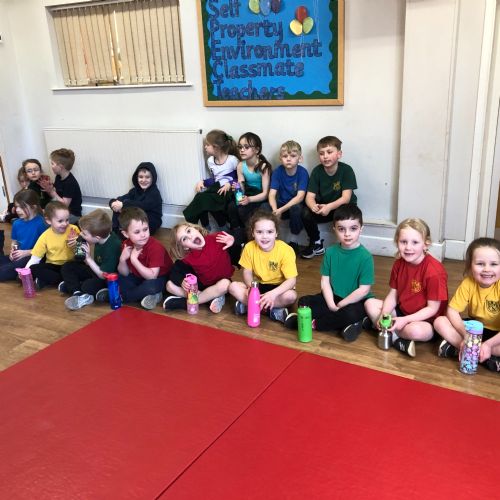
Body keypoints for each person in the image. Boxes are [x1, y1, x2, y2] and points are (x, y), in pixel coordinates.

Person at [284, 204, 374, 341]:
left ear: (361, 229)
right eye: (341, 229)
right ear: (334, 229)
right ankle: (350, 324)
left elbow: (363, 290)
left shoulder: (366, 257)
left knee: (350, 313)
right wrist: (331, 304)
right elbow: (325, 282)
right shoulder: (330, 252)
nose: (347, 234)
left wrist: (341, 305)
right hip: (334, 297)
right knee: (304, 301)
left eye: (353, 228)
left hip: (355, 301)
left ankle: (312, 323)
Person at [364, 218, 448, 357]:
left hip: (426, 321)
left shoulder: (434, 272)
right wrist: (384, 314)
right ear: (397, 242)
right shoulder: (398, 264)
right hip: (402, 311)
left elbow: (432, 309)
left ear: (426, 244)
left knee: (415, 331)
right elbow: (393, 294)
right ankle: (397, 340)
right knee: (370, 303)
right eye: (403, 242)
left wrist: (405, 320)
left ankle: (388, 333)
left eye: (415, 242)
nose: (408, 247)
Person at [434, 237, 500, 372]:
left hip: (496, 336)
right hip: (474, 330)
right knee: (440, 322)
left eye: (494, 264)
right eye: (480, 264)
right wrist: (466, 337)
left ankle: (469, 350)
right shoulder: (468, 283)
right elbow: (452, 310)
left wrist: (488, 344)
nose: (487, 269)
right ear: (470, 266)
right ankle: (477, 353)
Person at [228, 210, 297, 323]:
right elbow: (247, 272)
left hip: (278, 288)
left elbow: (291, 280)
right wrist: (251, 288)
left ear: (276, 233)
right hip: (258, 286)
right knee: (233, 287)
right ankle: (271, 311)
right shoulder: (249, 247)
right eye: (259, 232)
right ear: (253, 233)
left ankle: (251, 306)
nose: (265, 236)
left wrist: (273, 294)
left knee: (291, 296)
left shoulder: (286, 250)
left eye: (269, 232)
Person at [300, 136, 357, 259]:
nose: (325, 156)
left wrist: (329, 207)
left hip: (344, 207)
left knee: (346, 214)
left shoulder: (346, 170)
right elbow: (309, 197)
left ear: (339, 154)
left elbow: (346, 198)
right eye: (321, 153)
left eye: (329, 152)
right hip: (325, 207)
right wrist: (313, 206)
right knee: (305, 212)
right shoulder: (317, 171)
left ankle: (346, 246)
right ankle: (316, 243)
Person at [163, 222, 235, 313]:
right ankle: (209, 299)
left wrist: (233, 241)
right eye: (184, 239)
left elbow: (238, 254)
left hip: (221, 284)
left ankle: (185, 303)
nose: (190, 236)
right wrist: (181, 281)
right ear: (185, 247)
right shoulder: (188, 257)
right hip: (203, 287)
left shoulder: (217, 238)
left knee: (226, 284)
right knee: (169, 285)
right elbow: (174, 271)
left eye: (189, 231)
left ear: (196, 229)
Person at [60, 209, 122, 310]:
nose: (81, 234)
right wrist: (79, 247)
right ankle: (77, 292)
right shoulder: (101, 237)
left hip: (107, 277)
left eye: (84, 234)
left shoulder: (113, 247)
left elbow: (103, 275)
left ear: (97, 237)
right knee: (68, 266)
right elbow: (85, 261)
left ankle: (74, 286)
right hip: (97, 270)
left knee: (88, 286)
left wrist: (88, 259)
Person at [117, 207, 173, 309]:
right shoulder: (126, 244)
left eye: (145, 229)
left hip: (159, 277)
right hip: (139, 276)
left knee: (151, 286)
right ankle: (147, 296)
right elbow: (125, 273)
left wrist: (134, 260)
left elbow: (152, 276)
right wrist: (122, 259)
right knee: (120, 278)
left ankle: (125, 296)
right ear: (126, 234)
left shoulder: (156, 247)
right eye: (137, 232)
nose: (143, 235)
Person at [183, 129, 239, 231]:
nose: (205, 147)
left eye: (207, 145)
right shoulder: (210, 161)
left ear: (216, 147)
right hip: (217, 189)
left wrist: (229, 184)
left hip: (228, 191)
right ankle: (206, 225)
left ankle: (201, 225)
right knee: (200, 196)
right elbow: (216, 179)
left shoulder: (232, 160)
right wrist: (203, 182)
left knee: (204, 199)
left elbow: (239, 178)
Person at [24, 201, 80, 289]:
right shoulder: (45, 236)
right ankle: (61, 280)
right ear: (48, 221)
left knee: (73, 268)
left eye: (67, 220)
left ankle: (51, 280)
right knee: (33, 268)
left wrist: (77, 243)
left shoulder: (74, 229)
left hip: (70, 264)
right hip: (53, 266)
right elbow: (35, 258)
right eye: (60, 221)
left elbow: (82, 250)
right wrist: (25, 273)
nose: (65, 224)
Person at [267, 140, 309, 254]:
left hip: (295, 206)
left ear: (300, 158)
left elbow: (300, 197)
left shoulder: (302, 173)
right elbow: (272, 194)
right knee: (264, 207)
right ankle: (269, 239)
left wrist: (280, 210)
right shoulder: (277, 172)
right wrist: (275, 210)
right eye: (285, 156)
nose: (288, 159)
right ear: (280, 158)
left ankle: (294, 241)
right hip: (281, 204)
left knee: (296, 208)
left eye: (293, 156)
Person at [226, 132, 272, 231]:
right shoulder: (240, 166)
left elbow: (265, 194)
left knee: (245, 210)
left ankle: (250, 233)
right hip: (248, 194)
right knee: (231, 206)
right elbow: (242, 188)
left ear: (257, 150)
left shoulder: (263, 167)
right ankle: (236, 231)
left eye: (246, 147)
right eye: (240, 147)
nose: (242, 150)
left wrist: (249, 199)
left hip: (260, 198)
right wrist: (237, 188)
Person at [0, 190, 47, 281]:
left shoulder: (41, 223)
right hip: (20, 255)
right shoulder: (16, 223)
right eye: (16, 206)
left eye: (22, 207)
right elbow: (15, 242)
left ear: (33, 207)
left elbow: (46, 248)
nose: (17, 210)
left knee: (5, 271)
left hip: (33, 256)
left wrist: (26, 252)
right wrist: (13, 251)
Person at [109, 162, 163, 235]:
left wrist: (123, 205)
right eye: (141, 177)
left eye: (147, 177)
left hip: (150, 223)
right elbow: (121, 199)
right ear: (136, 178)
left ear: (153, 178)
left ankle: (122, 233)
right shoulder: (135, 191)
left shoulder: (154, 193)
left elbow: (142, 205)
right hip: (136, 218)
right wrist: (113, 203)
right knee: (118, 206)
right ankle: (115, 232)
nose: (143, 180)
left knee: (125, 206)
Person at [39, 148, 82, 224]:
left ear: (61, 167)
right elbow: (56, 195)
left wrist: (52, 192)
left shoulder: (70, 182)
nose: (51, 166)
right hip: (61, 210)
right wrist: (49, 188)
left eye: (52, 164)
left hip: (72, 214)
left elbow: (64, 205)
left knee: (46, 223)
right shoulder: (58, 177)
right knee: (41, 217)